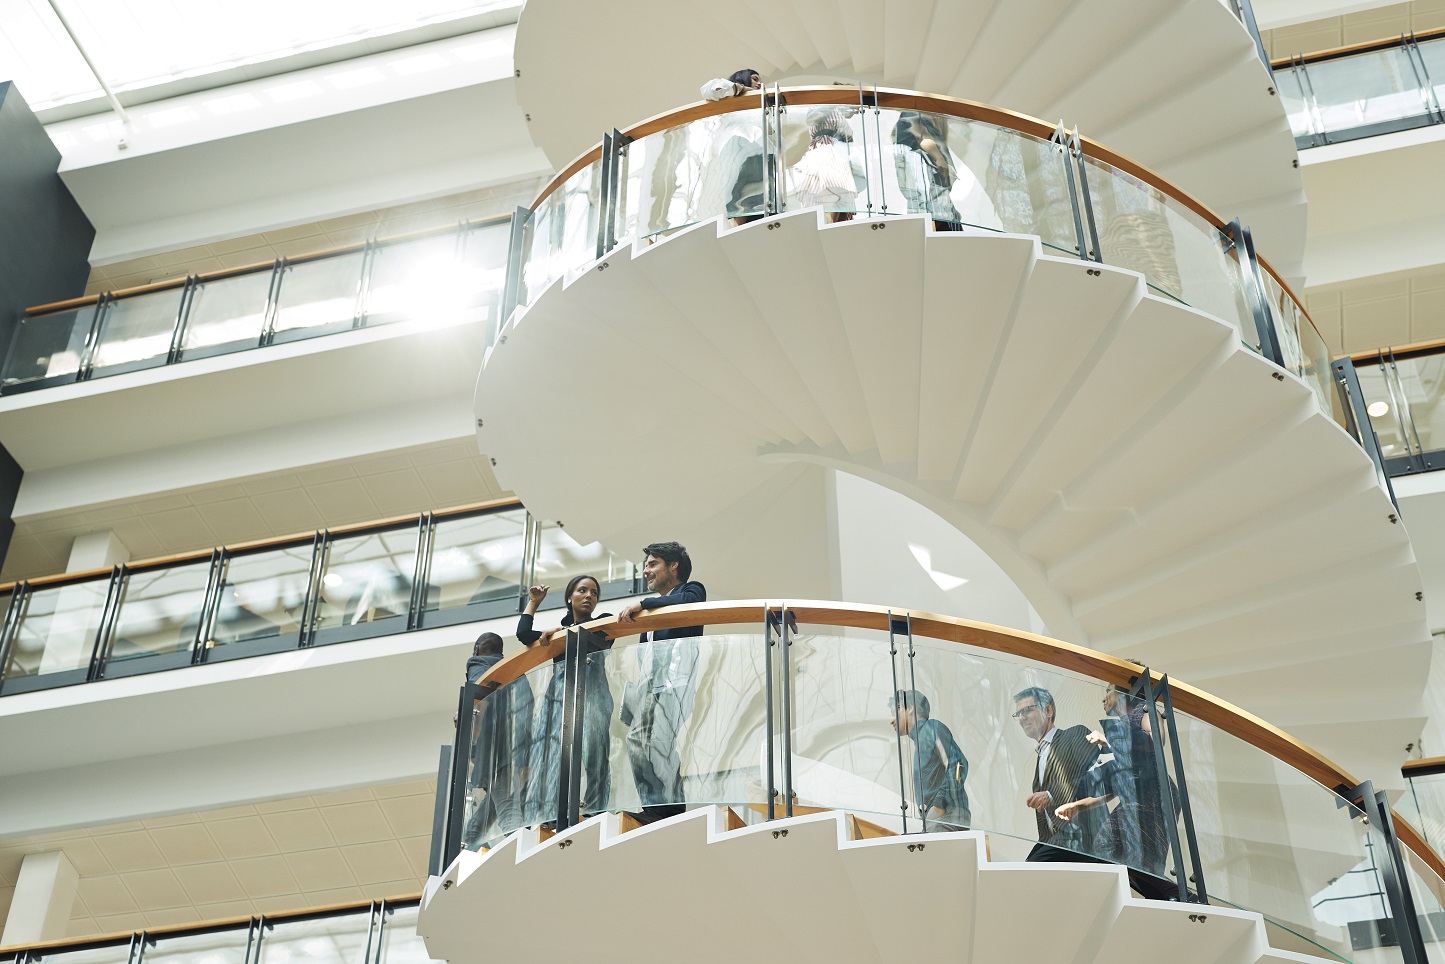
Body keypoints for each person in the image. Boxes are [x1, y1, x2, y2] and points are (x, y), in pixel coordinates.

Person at [1054, 683, 1182, 900]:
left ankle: (1175, 896)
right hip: (1135, 797)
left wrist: (1110, 740)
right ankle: (1172, 896)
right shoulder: (1118, 730)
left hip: (1156, 795)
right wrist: (1076, 806)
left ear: (1125, 689)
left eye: (1108, 690)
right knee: (1123, 854)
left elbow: (1156, 741)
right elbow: (1110, 787)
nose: (1103, 698)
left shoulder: (1143, 711)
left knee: (1116, 848)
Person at [617, 541, 706, 823]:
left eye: (652, 564)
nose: (646, 571)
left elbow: (689, 604)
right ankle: (658, 808)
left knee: (655, 744)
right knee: (641, 743)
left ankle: (666, 810)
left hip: (674, 683)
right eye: (646, 566)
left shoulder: (690, 590)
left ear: (673, 565)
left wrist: (643, 603)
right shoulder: (652, 613)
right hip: (651, 685)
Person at [518, 576, 615, 823]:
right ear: (569, 597)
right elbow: (524, 634)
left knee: (595, 753)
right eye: (582, 590)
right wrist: (533, 602)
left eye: (594, 592)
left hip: (593, 694)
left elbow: (587, 634)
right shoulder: (558, 633)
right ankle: (550, 813)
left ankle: (595, 809)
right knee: (553, 752)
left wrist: (561, 633)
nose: (589, 596)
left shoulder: (603, 621)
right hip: (559, 695)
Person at [461, 633, 534, 849]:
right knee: (487, 812)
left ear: (476, 649)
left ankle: (523, 850)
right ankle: (467, 848)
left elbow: (476, 692)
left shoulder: (479, 662)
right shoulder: (515, 669)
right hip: (522, 751)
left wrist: (464, 713)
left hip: (499, 753)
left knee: (507, 808)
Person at [1013, 685, 1103, 862]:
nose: (1022, 718)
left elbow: (1095, 778)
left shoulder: (1075, 735)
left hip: (1078, 838)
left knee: (1026, 875)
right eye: (1018, 714)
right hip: (1054, 841)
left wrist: (1051, 795)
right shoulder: (1039, 758)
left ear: (1047, 710)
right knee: (1024, 873)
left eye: (1027, 710)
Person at [694, 70, 768, 227]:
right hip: (740, 151)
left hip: (761, 155)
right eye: (754, 79)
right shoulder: (733, 96)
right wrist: (742, 90)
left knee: (761, 202)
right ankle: (735, 231)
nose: (759, 83)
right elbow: (711, 89)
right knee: (740, 197)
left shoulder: (763, 108)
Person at [890, 689, 970, 832]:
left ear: (911, 709)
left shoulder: (930, 729)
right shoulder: (920, 739)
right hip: (937, 820)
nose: (892, 720)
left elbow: (959, 764)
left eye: (896, 709)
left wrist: (940, 805)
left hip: (946, 818)